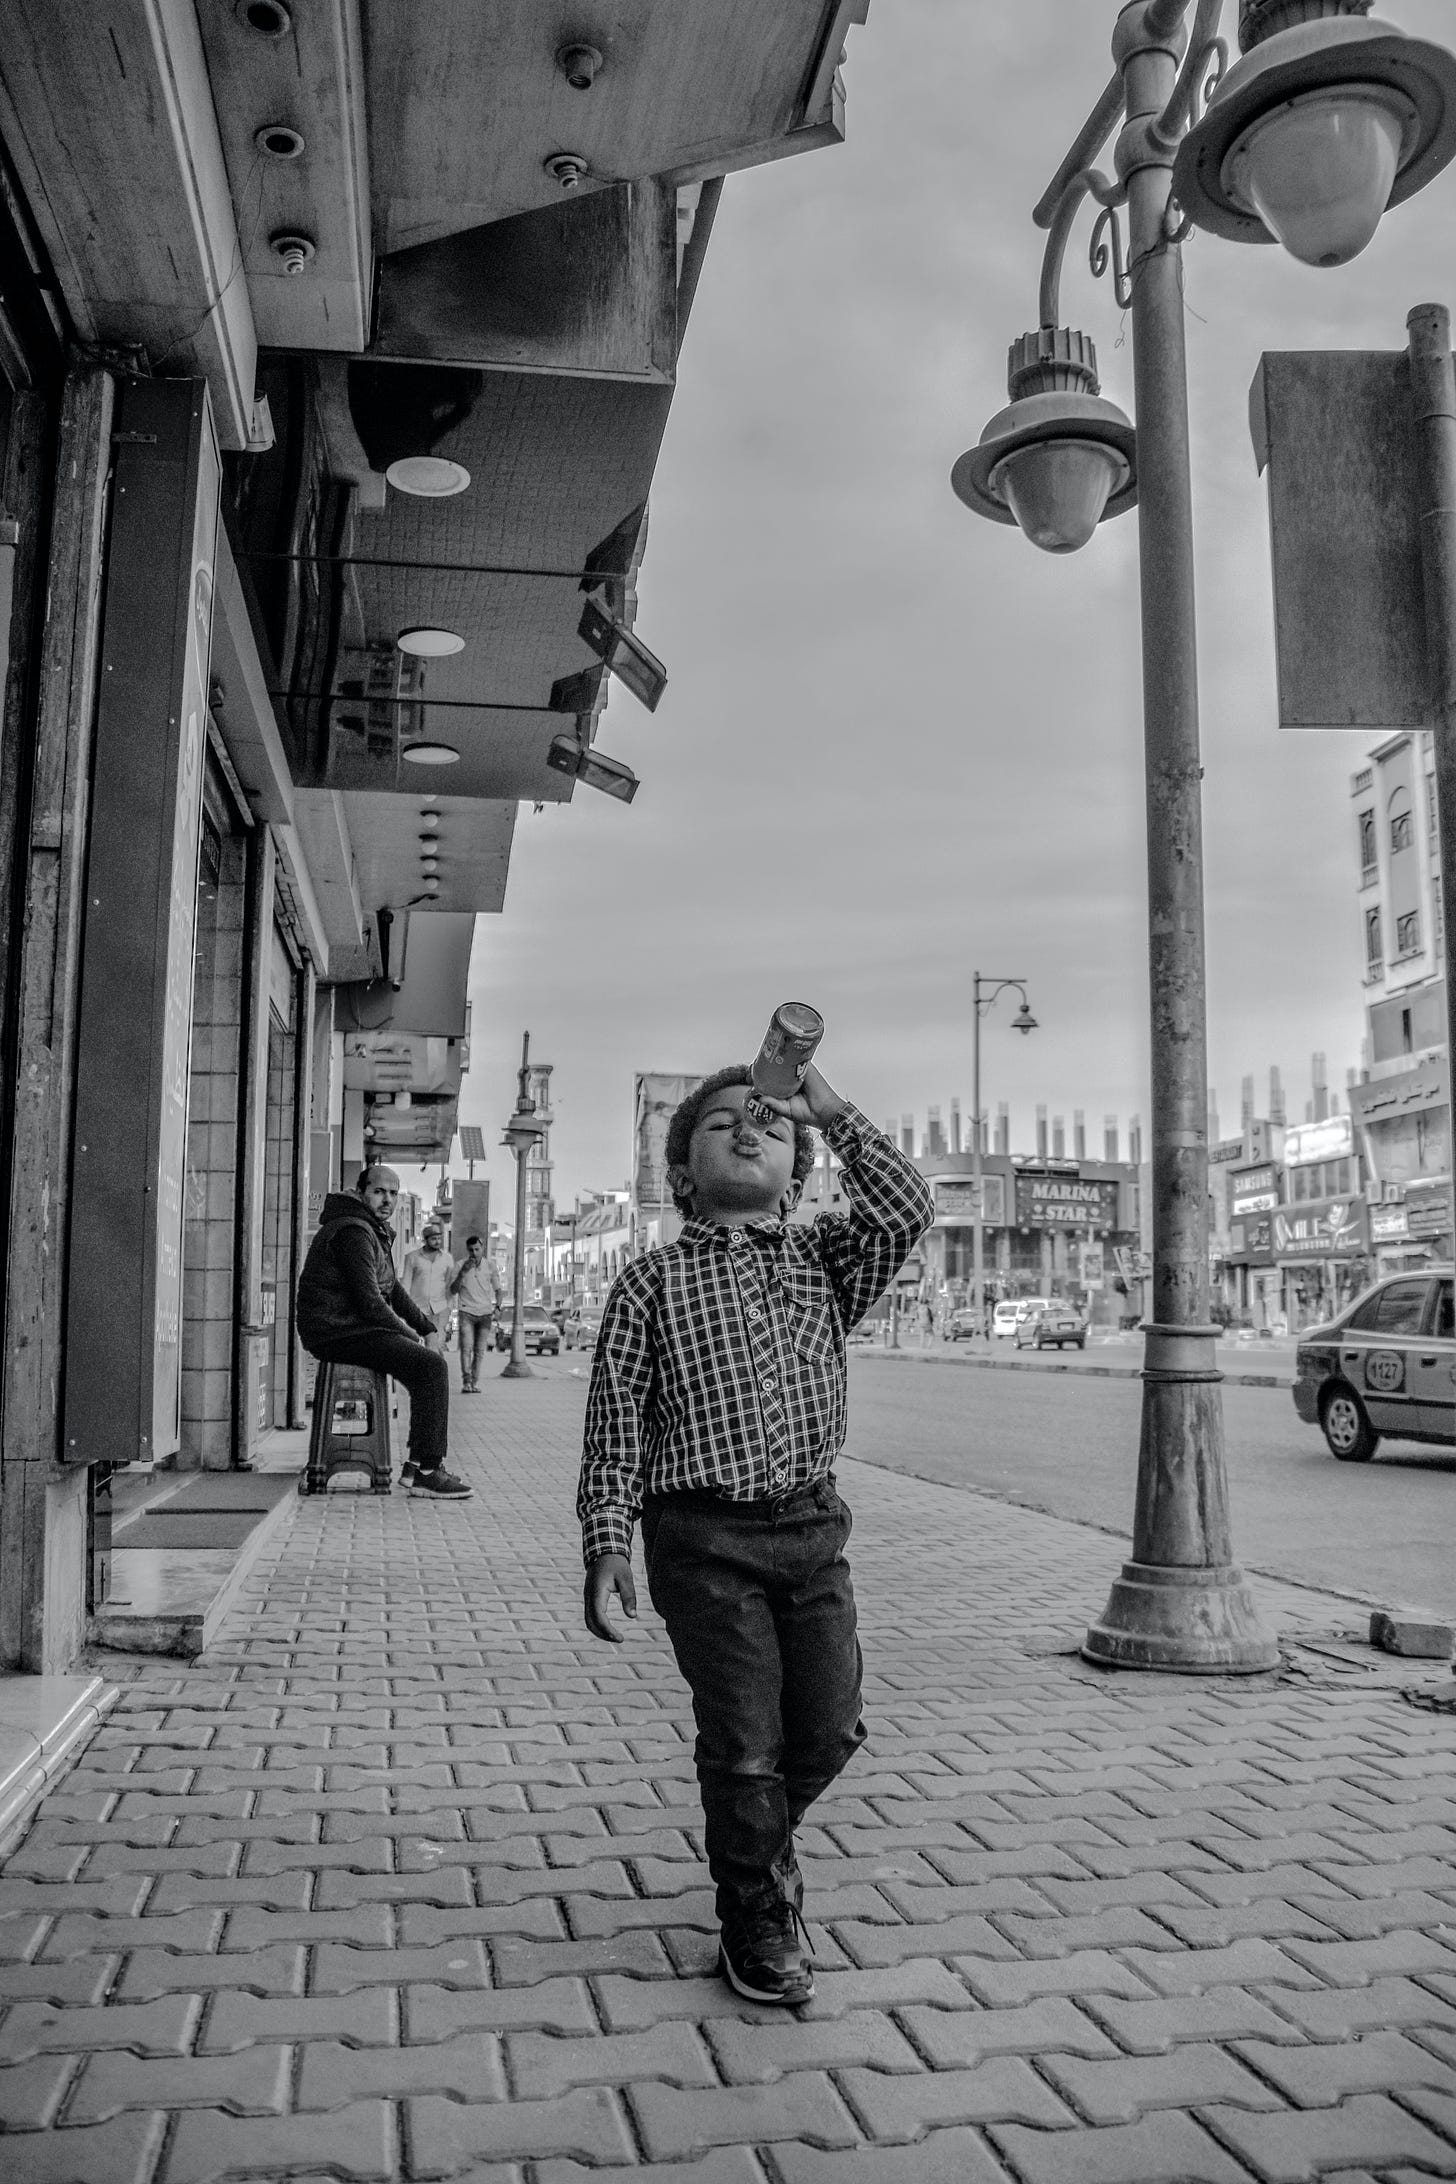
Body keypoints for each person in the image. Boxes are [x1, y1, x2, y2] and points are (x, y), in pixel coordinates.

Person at [578, 1058, 932, 2006]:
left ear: (800, 1170)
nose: (750, 1130)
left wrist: (832, 1111)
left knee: (828, 1727)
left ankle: (757, 1843)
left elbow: (904, 1210)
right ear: (681, 1175)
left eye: (771, 1127)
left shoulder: (825, 1263)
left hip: (812, 1532)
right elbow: (616, 1421)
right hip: (700, 1539)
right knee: (743, 1741)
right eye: (723, 1123)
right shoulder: (649, 1283)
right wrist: (608, 1538)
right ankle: (756, 1913)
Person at [297, 1166, 472, 1499]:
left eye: (393, 1193)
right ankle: (427, 1471)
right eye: (379, 1191)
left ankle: (418, 1466)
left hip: (350, 1326)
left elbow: (392, 1290)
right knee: (431, 1367)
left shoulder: (371, 1229)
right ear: (361, 1191)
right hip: (337, 1329)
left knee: (426, 1365)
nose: (387, 1199)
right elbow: (370, 1302)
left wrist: (427, 1327)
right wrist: (413, 1337)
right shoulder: (352, 1231)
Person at [450, 1233, 502, 1393]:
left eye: (477, 1249)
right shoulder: (460, 1266)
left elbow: (498, 1289)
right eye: (471, 1250)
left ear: (482, 1249)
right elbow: (453, 1290)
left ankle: (474, 1382)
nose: (474, 1253)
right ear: (467, 1250)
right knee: (466, 1348)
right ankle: (466, 1382)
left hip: (485, 1313)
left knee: (479, 1351)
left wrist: (498, 1307)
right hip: (466, 1312)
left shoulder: (490, 1266)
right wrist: (463, 1272)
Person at [402, 1221, 455, 1353]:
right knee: (416, 1344)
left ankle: (435, 1371)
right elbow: (405, 1284)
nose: (437, 1242)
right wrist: (405, 1307)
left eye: (439, 1238)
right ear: (425, 1240)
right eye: (433, 1239)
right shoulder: (412, 1258)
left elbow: (450, 1285)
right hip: (417, 1308)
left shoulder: (447, 1259)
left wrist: (449, 1307)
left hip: (439, 1309)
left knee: (436, 1345)